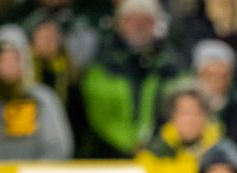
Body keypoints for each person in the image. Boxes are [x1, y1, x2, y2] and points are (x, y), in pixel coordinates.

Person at [78, 0, 184, 158]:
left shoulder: (170, 64)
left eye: (146, 19)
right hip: (107, 155)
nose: (139, 25)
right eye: (131, 19)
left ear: (156, 25)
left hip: (161, 153)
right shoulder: (102, 63)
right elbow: (99, 115)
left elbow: (180, 109)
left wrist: (153, 144)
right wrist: (131, 144)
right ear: (119, 24)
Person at [0, 25, 74, 160]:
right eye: (2, 58)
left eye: (15, 58)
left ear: (25, 61)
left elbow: (57, 148)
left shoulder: (41, 100)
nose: (8, 65)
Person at [192, 39, 237, 158]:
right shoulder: (185, 104)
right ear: (198, 75)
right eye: (209, 75)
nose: (215, 81)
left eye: (222, 76)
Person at [137, 85, 223, 161]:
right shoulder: (155, 152)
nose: (190, 120)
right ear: (172, 116)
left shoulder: (221, 152)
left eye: (197, 113)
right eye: (184, 113)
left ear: (207, 116)